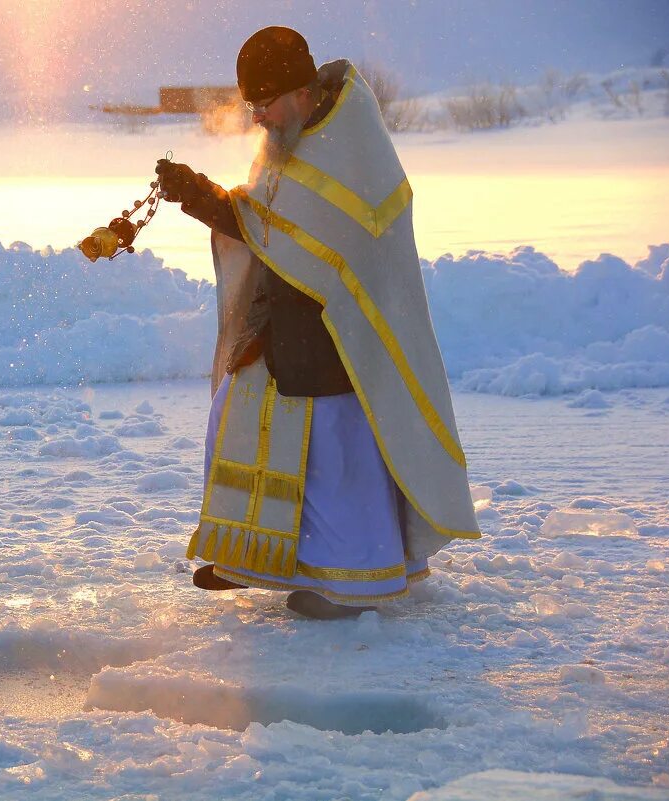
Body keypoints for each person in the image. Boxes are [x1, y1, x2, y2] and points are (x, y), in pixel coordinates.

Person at [157, 26, 481, 620]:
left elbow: (330, 244)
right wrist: (199, 194)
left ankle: (354, 582)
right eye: (252, 105)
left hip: (345, 337)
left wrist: (223, 208)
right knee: (237, 409)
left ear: (302, 91)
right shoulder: (291, 136)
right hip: (290, 320)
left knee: (336, 451)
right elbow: (265, 225)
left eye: (266, 103)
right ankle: (254, 557)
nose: (258, 117)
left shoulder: (348, 141)